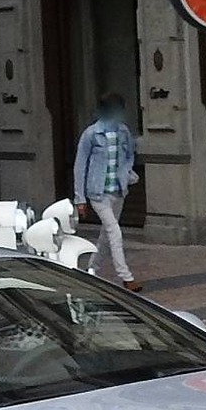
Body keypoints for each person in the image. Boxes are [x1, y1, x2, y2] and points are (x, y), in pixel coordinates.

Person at [71, 92, 142, 291]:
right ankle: (126, 277)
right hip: (98, 192)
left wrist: (127, 171)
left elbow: (129, 155)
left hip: (118, 191)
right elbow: (80, 165)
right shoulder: (91, 134)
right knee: (114, 231)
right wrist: (80, 198)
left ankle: (91, 269)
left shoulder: (123, 132)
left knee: (105, 236)